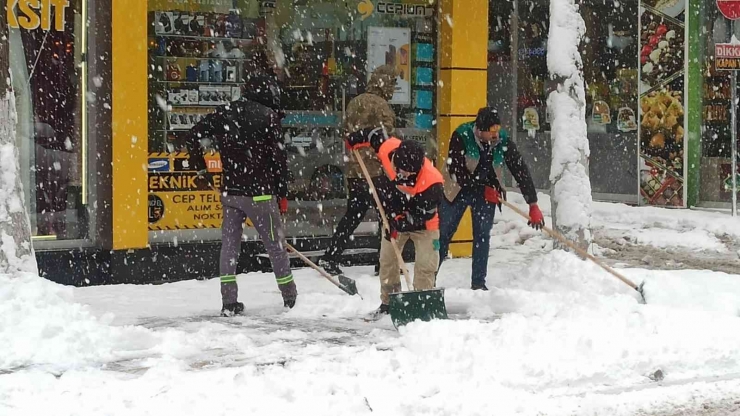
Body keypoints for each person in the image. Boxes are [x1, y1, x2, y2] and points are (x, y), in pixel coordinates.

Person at [186, 75, 296, 316]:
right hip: (261, 195)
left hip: (231, 193)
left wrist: (200, 168)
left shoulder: (224, 113)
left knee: (229, 247)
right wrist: (282, 193)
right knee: (276, 247)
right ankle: (291, 298)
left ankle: (229, 301)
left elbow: (193, 134)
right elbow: (278, 161)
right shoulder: (268, 116)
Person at [439, 107, 545, 290]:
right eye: (491, 130)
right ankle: (427, 278)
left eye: (497, 129)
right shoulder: (461, 135)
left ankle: (479, 284)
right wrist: (480, 187)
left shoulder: (502, 139)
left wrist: (532, 203)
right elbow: (457, 172)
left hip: (487, 191)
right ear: (479, 130)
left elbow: (519, 170)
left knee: (482, 235)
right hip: (457, 189)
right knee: (444, 232)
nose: (495, 134)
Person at [346, 127, 445, 317]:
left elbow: (423, 214)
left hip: (425, 225)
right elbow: (374, 133)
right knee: (388, 260)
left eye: (408, 172)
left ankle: (422, 304)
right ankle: (389, 302)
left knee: (426, 265)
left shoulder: (433, 182)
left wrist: (402, 221)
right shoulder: (388, 150)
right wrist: (354, 139)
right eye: (400, 170)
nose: (403, 175)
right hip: (394, 217)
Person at [318, 65, 398, 276]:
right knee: (386, 217)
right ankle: (385, 262)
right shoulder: (382, 106)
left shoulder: (355, 102)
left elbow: (345, 130)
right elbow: (387, 135)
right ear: (386, 84)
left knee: (353, 215)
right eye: (392, 84)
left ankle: (331, 256)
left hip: (355, 169)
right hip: (377, 171)